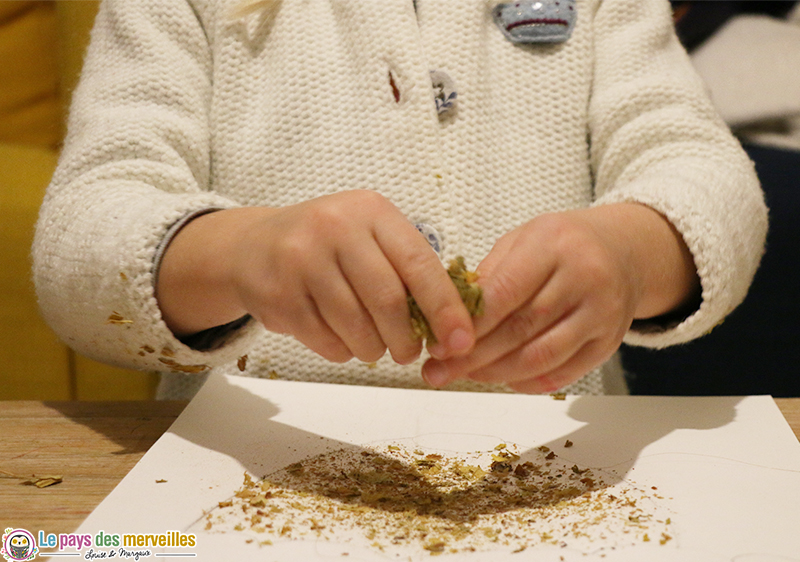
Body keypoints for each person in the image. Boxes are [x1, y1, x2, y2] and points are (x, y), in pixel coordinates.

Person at [32, 0, 767, 399]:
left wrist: (632, 251)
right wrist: (239, 253)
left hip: (557, 466)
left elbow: (701, 168)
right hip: (242, 471)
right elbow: (84, 230)